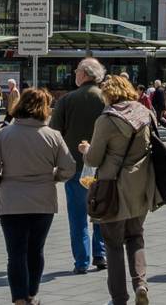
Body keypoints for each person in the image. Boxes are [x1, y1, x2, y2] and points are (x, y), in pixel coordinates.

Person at [0, 87, 74, 305]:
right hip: (43, 200)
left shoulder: (5, 134)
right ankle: (32, 293)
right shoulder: (53, 136)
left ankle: (19, 300)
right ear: (45, 108)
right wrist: (54, 177)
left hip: (11, 200)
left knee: (15, 253)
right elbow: (69, 167)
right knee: (36, 250)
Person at [80, 73, 160, 305]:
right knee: (135, 236)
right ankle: (141, 284)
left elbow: (94, 159)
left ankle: (119, 298)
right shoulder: (145, 113)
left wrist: (85, 149)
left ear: (108, 94)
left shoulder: (106, 120)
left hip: (112, 188)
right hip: (143, 185)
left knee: (113, 243)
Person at [49, 57, 107, 275]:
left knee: (77, 216)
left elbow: (55, 134)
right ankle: (101, 255)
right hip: (102, 166)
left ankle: (82, 261)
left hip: (74, 167)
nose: (74, 74)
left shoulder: (67, 100)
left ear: (84, 74)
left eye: (76, 71)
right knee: (100, 211)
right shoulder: (106, 99)